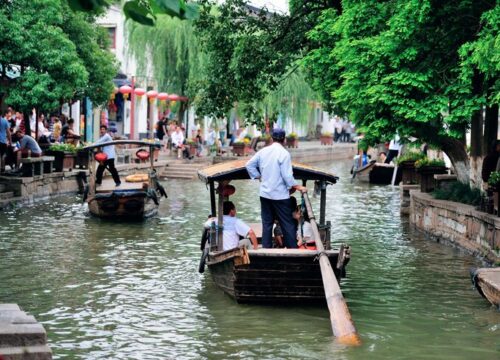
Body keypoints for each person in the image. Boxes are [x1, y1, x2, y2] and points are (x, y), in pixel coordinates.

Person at [246, 128, 307, 249]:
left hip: (265, 194)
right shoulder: (284, 153)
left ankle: (266, 249)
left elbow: (249, 165)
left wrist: (258, 176)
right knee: (287, 223)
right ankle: (292, 250)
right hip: (280, 196)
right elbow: (287, 176)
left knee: (267, 224)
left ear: (272, 139)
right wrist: (297, 186)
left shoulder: (263, 151)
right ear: (284, 140)